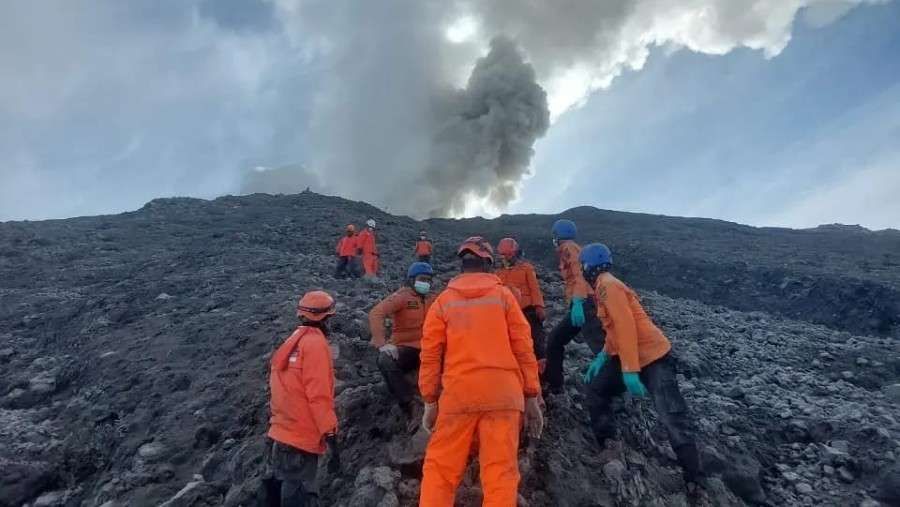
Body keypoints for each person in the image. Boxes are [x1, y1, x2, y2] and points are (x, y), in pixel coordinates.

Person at [418, 236, 544, 506]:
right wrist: (532, 395)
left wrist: (430, 401)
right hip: (504, 396)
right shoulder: (505, 298)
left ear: (462, 265)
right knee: (500, 473)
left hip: (458, 395)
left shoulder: (442, 302)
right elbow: (524, 348)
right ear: (488, 264)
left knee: (440, 471)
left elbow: (430, 355)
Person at [579, 243, 702, 486]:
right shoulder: (603, 287)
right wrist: (603, 356)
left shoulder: (607, 286)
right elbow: (614, 331)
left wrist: (630, 371)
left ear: (588, 266)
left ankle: (694, 478)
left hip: (653, 356)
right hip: (630, 354)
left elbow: (626, 328)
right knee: (596, 389)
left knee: (671, 414)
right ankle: (609, 446)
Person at [268, 290, 341, 506]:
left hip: (282, 433)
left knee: (288, 486)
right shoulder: (316, 346)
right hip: (301, 438)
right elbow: (318, 397)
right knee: (299, 492)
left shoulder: (292, 342)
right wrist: (330, 435)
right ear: (326, 318)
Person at [368, 261, 436, 427]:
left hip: (430, 349)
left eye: (428, 280)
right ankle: (409, 406)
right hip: (407, 348)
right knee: (385, 360)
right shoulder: (402, 297)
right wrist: (382, 343)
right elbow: (376, 313)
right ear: (412, 280)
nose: (425, 283)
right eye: (422, 279)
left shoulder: (433, 299)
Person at [544, 219, 605, 394]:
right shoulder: (571, 248)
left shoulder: (568, 248)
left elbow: (580, 275)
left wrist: (578, 300)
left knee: (600, 347)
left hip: (585, 304)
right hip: (582, 304)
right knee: (555, 339)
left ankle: (613, 386)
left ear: (557, 235)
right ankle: (555, 385)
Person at [495, 237, 548, 374]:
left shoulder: (526, 268)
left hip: (527, 310)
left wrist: (539, 306)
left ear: (516, 253)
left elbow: (534, 288)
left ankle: (542, 373)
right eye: (504, 255)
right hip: (508, 313)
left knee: (536, 342)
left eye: (509, 254)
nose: (506, 258)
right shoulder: (498, 273)